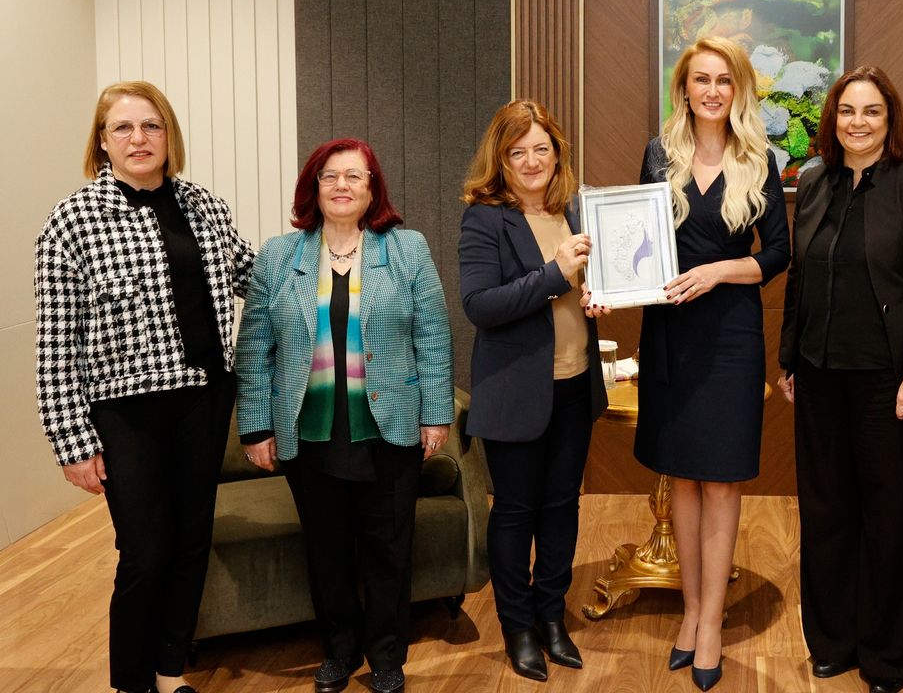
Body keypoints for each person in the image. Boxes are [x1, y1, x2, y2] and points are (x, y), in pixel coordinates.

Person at [34, 81, 255, 693]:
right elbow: (56, 343)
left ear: (168, 136)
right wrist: (71, 440)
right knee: (145, 550)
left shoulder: (204, 206)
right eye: (123, 128)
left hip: (204, 399)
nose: (139, 139)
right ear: (102, 142)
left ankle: (168, 670)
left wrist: (330, 251)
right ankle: (130, 682)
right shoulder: (72, 221)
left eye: (152, 126)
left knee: (191, 542)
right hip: (126, 411)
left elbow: (251, 274)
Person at [235, 138, 453, 693]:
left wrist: (436, 415)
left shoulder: (406, 249)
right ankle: (338, 650)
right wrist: (255, 426)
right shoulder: (278, 256)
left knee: (388, 549)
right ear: (313, 187)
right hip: (309, 432)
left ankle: (386, 656)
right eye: (329, 176)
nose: (341, 185)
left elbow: (432, 336)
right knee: (325, 550)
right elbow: (254, 347)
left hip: (389, 427)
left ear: (373, 189)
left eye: (355, 176)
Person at [776, 66, 903, 693]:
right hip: (820, 375)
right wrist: (790, 357)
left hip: (890, 381)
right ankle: (833, 640)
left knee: (891, 516)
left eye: (872, 111)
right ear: (833, 119)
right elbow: (800, 275)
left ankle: (891, 656)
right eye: (848, 111)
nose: (858, 122)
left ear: (890, 119)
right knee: (826, 510)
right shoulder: (815, 179)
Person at [629, 36, 789, 692]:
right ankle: (691, 612)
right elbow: (635, 242)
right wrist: (608, 283)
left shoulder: (760, 159)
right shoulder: (658, 154)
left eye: (725, 80)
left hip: (730, 338)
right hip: (670, 334)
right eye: (702, 79)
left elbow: (777, 255)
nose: (713, 91)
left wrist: (719, 270)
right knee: (684, 480)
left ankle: (714, 623)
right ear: (685, 89)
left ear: (739, 89)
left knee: (721, 481)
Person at [458, 100, 607, 682]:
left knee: (562, 509)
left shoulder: (573, 211)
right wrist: (555, 274)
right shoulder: (484, 218)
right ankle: (517, 628)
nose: (530, 161)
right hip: (516, 393)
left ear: (557, 153)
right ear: (500, 159)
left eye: (540, 148)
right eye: (516, 151)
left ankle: (551, 617)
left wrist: (595, 296)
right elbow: (481, 305)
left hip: (575, 386)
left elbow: (583, 286)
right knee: (516, 513)